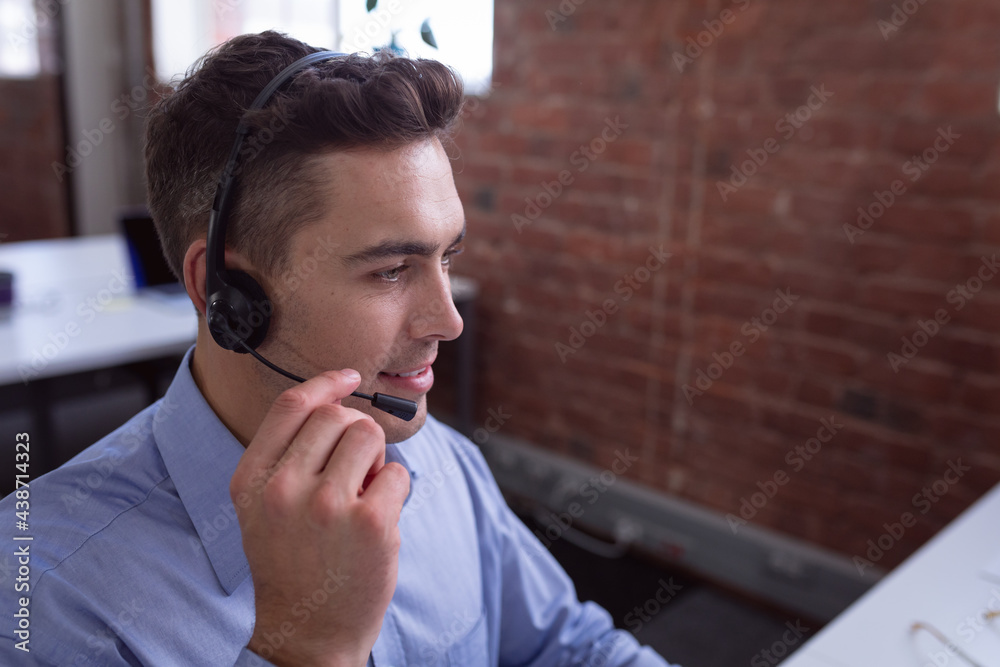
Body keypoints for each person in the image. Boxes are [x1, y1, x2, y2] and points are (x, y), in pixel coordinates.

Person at [0, 31, 677, 666]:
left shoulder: (433, 457)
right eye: (390, 270)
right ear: (226, 291)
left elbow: (567, 643)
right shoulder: (38, 599)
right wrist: (307, 647)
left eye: (447, 257)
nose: (448, 321)